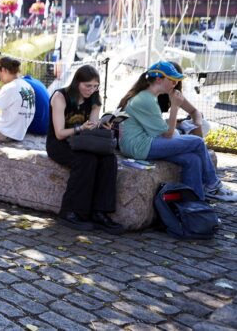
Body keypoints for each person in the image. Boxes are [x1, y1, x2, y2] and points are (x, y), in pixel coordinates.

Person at [118, 61, 237, 202]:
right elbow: (168, 133)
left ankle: (195, 207)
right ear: (158, 79)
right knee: (197, 142)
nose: (175, 83)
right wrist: (175, 106)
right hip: (139, 146)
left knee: (192, 160)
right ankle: (212, 185)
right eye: (172, 80)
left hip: (142, 143)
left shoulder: (149, 96)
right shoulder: (145, 99)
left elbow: (164, 130)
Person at [46, 65, 124, 233]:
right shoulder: (61, 97)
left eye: (95, 86)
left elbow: (93, 126)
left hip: (83, 142)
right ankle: (71, 211)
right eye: (87, 86)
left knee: (109, 159)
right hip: (60, 143)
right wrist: (81, 128)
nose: (91, 90)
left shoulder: (94, 99)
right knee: (85, 161)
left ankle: (100, 212)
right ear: (77, 83)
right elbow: (59, 133)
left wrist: (103, 127)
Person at [155, 62, 205, 137]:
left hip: (166, 126)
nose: (174, 82)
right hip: (152, 131)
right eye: (171, 78)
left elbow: (195, 111)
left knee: (204, 124)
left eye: (177, 79)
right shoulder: (150, 94)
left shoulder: (173, 92)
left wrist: (197, 125)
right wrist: (175, 121)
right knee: (175, 133)